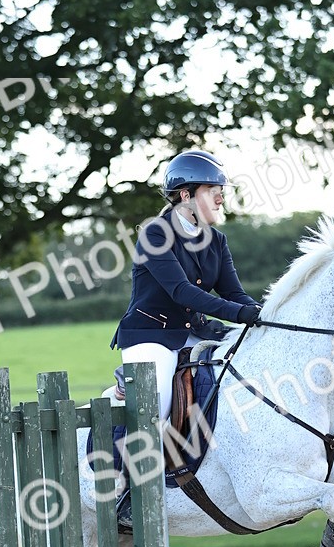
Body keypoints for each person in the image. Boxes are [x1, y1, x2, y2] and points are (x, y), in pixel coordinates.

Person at [112, 148, 261, 527]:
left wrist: (265, 315)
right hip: (151, 335)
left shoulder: (217, 240)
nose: (221, 196)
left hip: (195, 336)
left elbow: (235, 294)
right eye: (213, 190)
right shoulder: (155, 234)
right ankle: (125, 491)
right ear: (185, 195)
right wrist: (239, 314)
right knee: (158, 399)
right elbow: (182, 292)